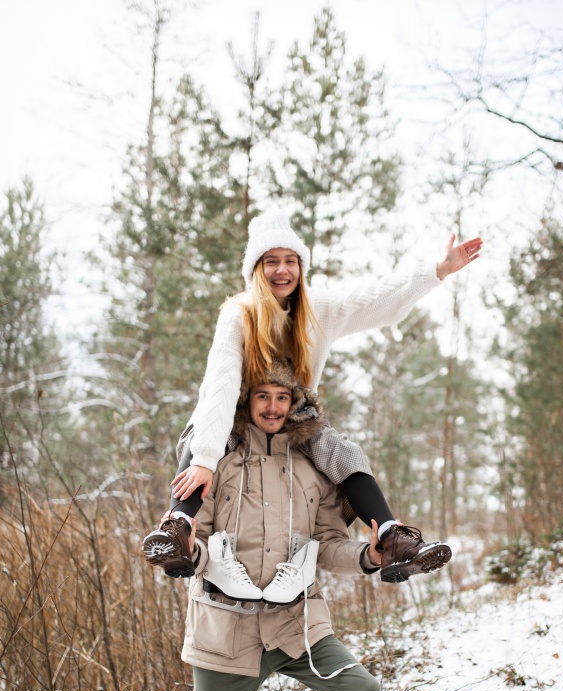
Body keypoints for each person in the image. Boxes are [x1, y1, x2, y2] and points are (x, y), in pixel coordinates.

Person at [177, 360, 450, 691]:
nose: (274, 407)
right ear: (245, 401)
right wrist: (188, 551)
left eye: (283, 397)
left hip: (298, 624)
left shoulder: (311, 469)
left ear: (296, 402)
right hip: (225, 629)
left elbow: (327, 545)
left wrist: (369, 556)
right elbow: (196, 533)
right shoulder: (218, 462)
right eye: (264, 397)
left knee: (362, 690)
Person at [143, 209, 482, 585]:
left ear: (301, 267)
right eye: (271, 262)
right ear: (256, 269)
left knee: (345, 452)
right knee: (203, 436)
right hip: (237, 411)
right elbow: (221, 385)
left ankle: (391, 538)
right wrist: (205, 458)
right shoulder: (239, 314)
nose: (281, 271)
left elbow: (374, 300)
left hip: (295, 413)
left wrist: (434, 271)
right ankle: (178, 529)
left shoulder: (317, 309)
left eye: (290, 261)